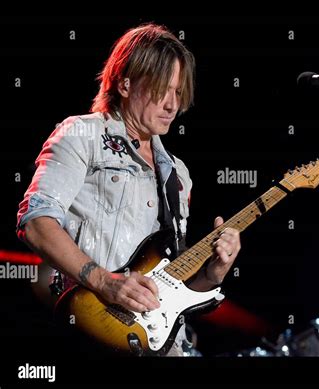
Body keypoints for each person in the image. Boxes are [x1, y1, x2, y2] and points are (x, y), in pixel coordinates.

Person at [16, 23, 241, 356]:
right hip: (95, 331)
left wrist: (212, 273)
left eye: (178, 92)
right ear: (125, 83)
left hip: (160, 344)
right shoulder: (82, 135)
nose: (172, 104)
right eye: (162, 89)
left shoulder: (179, 174)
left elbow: (172, 285)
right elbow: (35, 222)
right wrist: (106, 282)